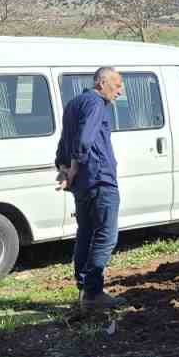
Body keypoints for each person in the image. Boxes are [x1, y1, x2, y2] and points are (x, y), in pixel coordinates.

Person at [55, 66, 123, 315]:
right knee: (106, 235)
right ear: (101, 83)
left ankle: (84, 289)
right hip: (99, 179)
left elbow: (64, 141)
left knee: (86, 233)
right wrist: (73, 167)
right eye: (116, 85)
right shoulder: (97, 104)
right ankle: (93, 293)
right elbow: (83, 141)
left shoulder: (75, 103)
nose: (120, 90)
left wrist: (63, 167)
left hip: (82, 185)